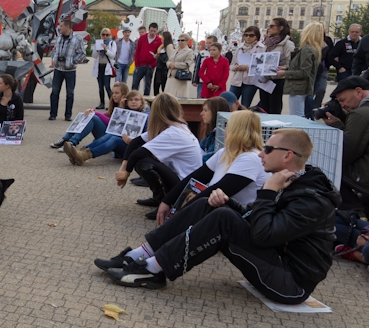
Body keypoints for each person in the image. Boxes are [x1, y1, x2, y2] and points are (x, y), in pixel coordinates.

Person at [99, 129, 337, 304]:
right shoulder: (289, 181)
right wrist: (229, 202)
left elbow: (265, 235)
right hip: (275, 262)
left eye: (268, 148)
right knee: (209, 203)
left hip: (290, 284)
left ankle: (153, 270)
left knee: (224, 218)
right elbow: (258, 221)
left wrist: (267, 193)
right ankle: (139, 255)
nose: (261, 153)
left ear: (288, 156)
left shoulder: (311, 199)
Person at [155, 110, 271, 226]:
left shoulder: (251, 158)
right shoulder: (225, 152)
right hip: (218, 215)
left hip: (238, 222)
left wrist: (179, 214)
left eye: (227, 126)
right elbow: (196, 177)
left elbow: (218, 189)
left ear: (234, 130)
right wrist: (167, 201)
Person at [114, 94, 202, 211]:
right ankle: (158, 198)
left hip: (186, 187)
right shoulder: (175, 126)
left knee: (142, 161)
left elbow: (138, 154)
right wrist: (123, 167)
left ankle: (165, 202)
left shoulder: (173, 132)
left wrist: (126, 173)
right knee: (144, 158)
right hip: (184, 181)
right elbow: (135, 142)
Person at [63, 90, 149, 167]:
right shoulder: (126, 111)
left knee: (114, 139)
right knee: (111, 134)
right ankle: (81, 152)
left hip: (135, 147)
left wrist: (132, 141)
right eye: (131, 100)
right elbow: (114, 126)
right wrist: (122, 108)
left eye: (136, 99)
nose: (133, 102)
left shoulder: (146, 114)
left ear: (141, 102)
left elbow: (148, 136)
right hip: (123, 143)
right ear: (126, 102)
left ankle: (85, 155)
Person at [323, 76, 369, 211]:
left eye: (343, 100)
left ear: (358, 92)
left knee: (325, 171)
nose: (343, 105)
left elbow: (347, 153)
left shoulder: (360, 114)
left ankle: (356, 214)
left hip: (365, 181)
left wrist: (337, 125)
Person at [50, 82, 130, 150]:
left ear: (124, 94)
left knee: (93, 117)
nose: (114, 95)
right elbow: (104, 116)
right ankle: (65, 139)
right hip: (106, 133)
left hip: (112, 138)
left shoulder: (127, 108)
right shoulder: (114, 106)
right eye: (113, 93)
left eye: (117, 93)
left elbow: (112, 123)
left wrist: (96, 113)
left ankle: (72, 142)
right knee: (86, 115)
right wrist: (92, 111)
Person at [276, 22, 322, 117]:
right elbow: (303, 68)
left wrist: (285, 73)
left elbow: (304, 72)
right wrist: (286, 68)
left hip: (298, 87)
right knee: (297, 113)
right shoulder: (314, 49)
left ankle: (299, 132)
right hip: (301, 87)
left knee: (296, 115)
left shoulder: (306, 49)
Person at [49, 19, 85, 121]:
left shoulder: (77, 39)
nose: (59, 28)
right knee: (54, 92)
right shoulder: (58, 38)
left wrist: (72, 61)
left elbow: (82, 53)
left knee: (70, 93)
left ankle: (68, 115)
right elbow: (54, 50)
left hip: (70, 71)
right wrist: (55, 58)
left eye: (61, 26)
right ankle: (53, 114)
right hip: (58, 69)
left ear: (67, 27)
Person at [258, 18, 295, 114]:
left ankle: (274, 128)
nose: (268, 28)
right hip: (264, 79)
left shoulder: (287, 44)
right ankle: (264, 127)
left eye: (272, 26)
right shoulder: (266, 42)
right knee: (263, 107)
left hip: (276, 80)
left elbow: (292, 63)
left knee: (274, 108)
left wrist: (283, 68)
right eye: (268, 25)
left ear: (281, 28)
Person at [228, 26, 264, 108]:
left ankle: (243, 120)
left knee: (245, 105)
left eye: (251, 35)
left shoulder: (261, 48)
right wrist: (235, 67)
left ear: (257, 36)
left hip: (250, 82)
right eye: (246, 35)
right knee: (229, 104)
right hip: (236, 81)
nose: (248, 37)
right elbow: (232, 65)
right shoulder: (240, 48)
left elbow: (261, 67)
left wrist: (247, 68)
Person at [131, 23, 162, 96]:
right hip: (140, 64)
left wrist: (153, 65)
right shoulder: (142, 38)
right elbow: (138, 50)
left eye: (154, 31)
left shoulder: (159, 41)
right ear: (149, 30)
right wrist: (137, 64)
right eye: (151, 31)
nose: (152, 33)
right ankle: (133, 97)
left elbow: (159, 54)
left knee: (147, 85)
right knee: (135, 83)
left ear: (157, 31)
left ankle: (146, 100)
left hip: (150, 66)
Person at [198, 97, 231, 163]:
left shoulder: (222, 135)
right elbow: (199, 149)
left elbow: (207, 160)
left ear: (215, 112)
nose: (201, 113)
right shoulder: (211, 132)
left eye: (205, 110)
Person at [92, 28, 117, 109]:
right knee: (100, 86)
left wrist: (106, 50)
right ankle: (102, 103)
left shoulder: (112, 43)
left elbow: (113, 55)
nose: (105, 36)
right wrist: (97, 50)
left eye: (107, 35)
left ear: (109, 35)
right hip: (99, 66)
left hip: (107, 67)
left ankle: (112, 104)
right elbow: (94, 56)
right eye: (103, 34)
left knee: (107, 86)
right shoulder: (98, 43)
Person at [164, 33, 194, 98]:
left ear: (187, 41)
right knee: (168, 96)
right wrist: (169, 64)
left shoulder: (189, 51)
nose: (180, 42)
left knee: (179, 96)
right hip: (170, 76)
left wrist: (175, 65)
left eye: (182, 40)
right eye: (178, 40)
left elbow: (188, 64)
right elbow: (169, 60)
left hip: (180, 76)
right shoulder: (175, 50)